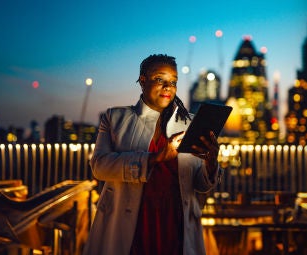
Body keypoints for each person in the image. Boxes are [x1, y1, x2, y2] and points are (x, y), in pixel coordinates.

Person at [82, 54, 224, 255]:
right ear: (143, 80)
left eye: (173, 82)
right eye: (160, 79)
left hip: (176, 221)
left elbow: (200, 184)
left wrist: (211, 164)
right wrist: (155, 157)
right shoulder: (115, 118)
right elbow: (99, 166)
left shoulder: (190, 124)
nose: (168, 87)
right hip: (133, 221)